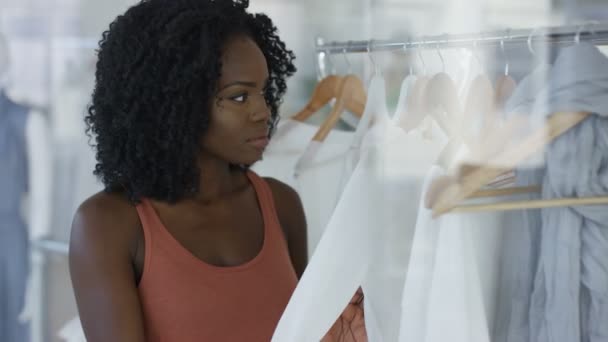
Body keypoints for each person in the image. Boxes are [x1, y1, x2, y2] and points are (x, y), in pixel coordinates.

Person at [69, 0, 366, 341]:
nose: (263, 112)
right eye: (239, 97)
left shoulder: (282, 206)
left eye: (263, 91)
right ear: (177, 103)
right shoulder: (108, 225)